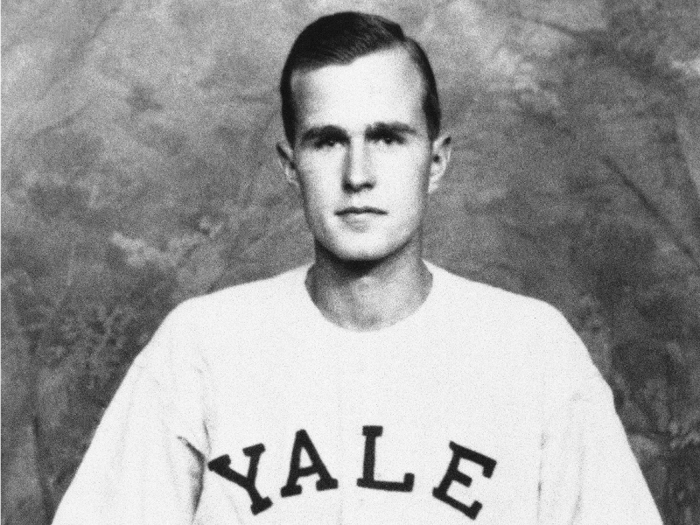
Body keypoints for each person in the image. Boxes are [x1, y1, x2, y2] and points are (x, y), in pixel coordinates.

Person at [52, 11, 663, 525]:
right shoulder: (201, 346)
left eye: (390, 137)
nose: (358, 173)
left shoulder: (533, 350)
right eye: (327, 141)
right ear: (290, 165)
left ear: (437, 159)